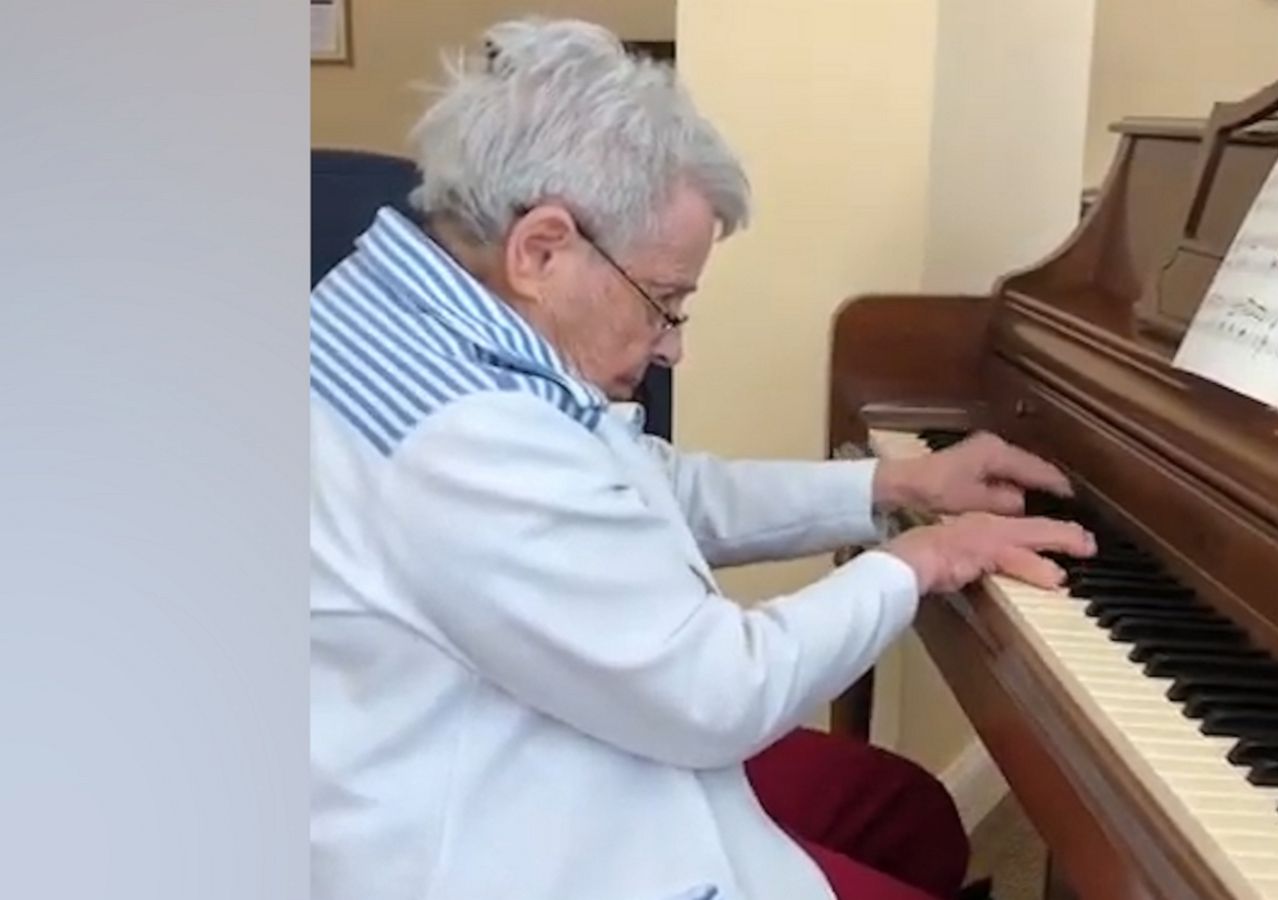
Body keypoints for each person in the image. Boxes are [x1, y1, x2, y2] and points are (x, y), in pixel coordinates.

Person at [309, 16, 1096, 900]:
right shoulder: (463, 438)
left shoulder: (403, 302)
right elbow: (721, 693)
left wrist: (894, 482)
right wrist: (924, 559)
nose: (672, 347)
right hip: (495, 833)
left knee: (901, 811)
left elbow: (643, 485)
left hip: (533, 726)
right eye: (666, 300)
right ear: (541, 250)